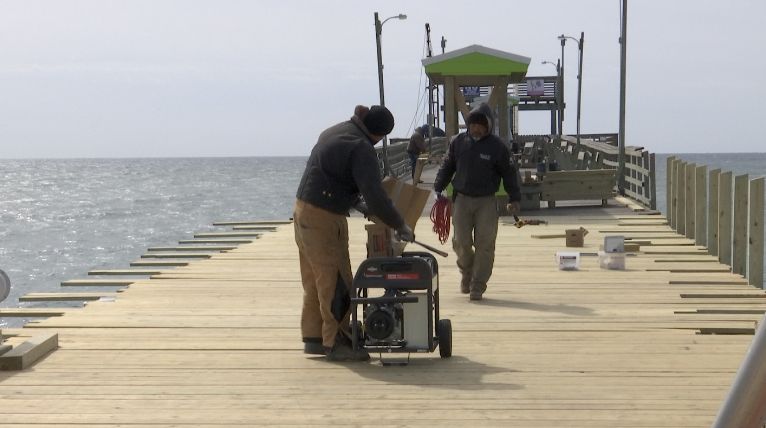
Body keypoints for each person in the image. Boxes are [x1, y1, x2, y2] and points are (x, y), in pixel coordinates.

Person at [294, 104, 415, 361]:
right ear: (380, 136)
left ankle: (315, 338)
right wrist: (399, 224)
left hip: (303, 209)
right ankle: (337, 343)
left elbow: (330, 173)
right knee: (335, 280)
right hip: (324, 217)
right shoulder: (362, 149)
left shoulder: (337, 130)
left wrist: (354, 203)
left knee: (315, 280)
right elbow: (376, 194)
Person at [433, 102, 521, 301]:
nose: (476, 128)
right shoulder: (458, 142)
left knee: (485, 244)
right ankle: (467, 271)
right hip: (462, 199)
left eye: (481, 125)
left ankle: (478, 284)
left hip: (486, 202)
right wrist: (437, 187)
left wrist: (514, 197)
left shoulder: (497, 147)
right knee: (461, 242)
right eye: (473, 124)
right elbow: (447, 166)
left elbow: (509, 173)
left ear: (489, 125)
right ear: (468, 124)